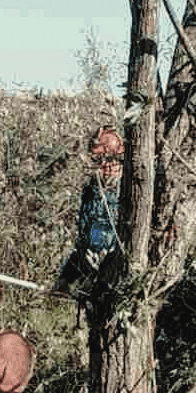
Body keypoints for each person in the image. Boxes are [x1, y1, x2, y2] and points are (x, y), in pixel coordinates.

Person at [52, 126, 124, 303]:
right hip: (88, 251)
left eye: (110, 162)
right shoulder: (93, 188)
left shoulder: (116, 193)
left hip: (104, 257)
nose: (105, 168)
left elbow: (103, 236)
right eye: (100, 162)